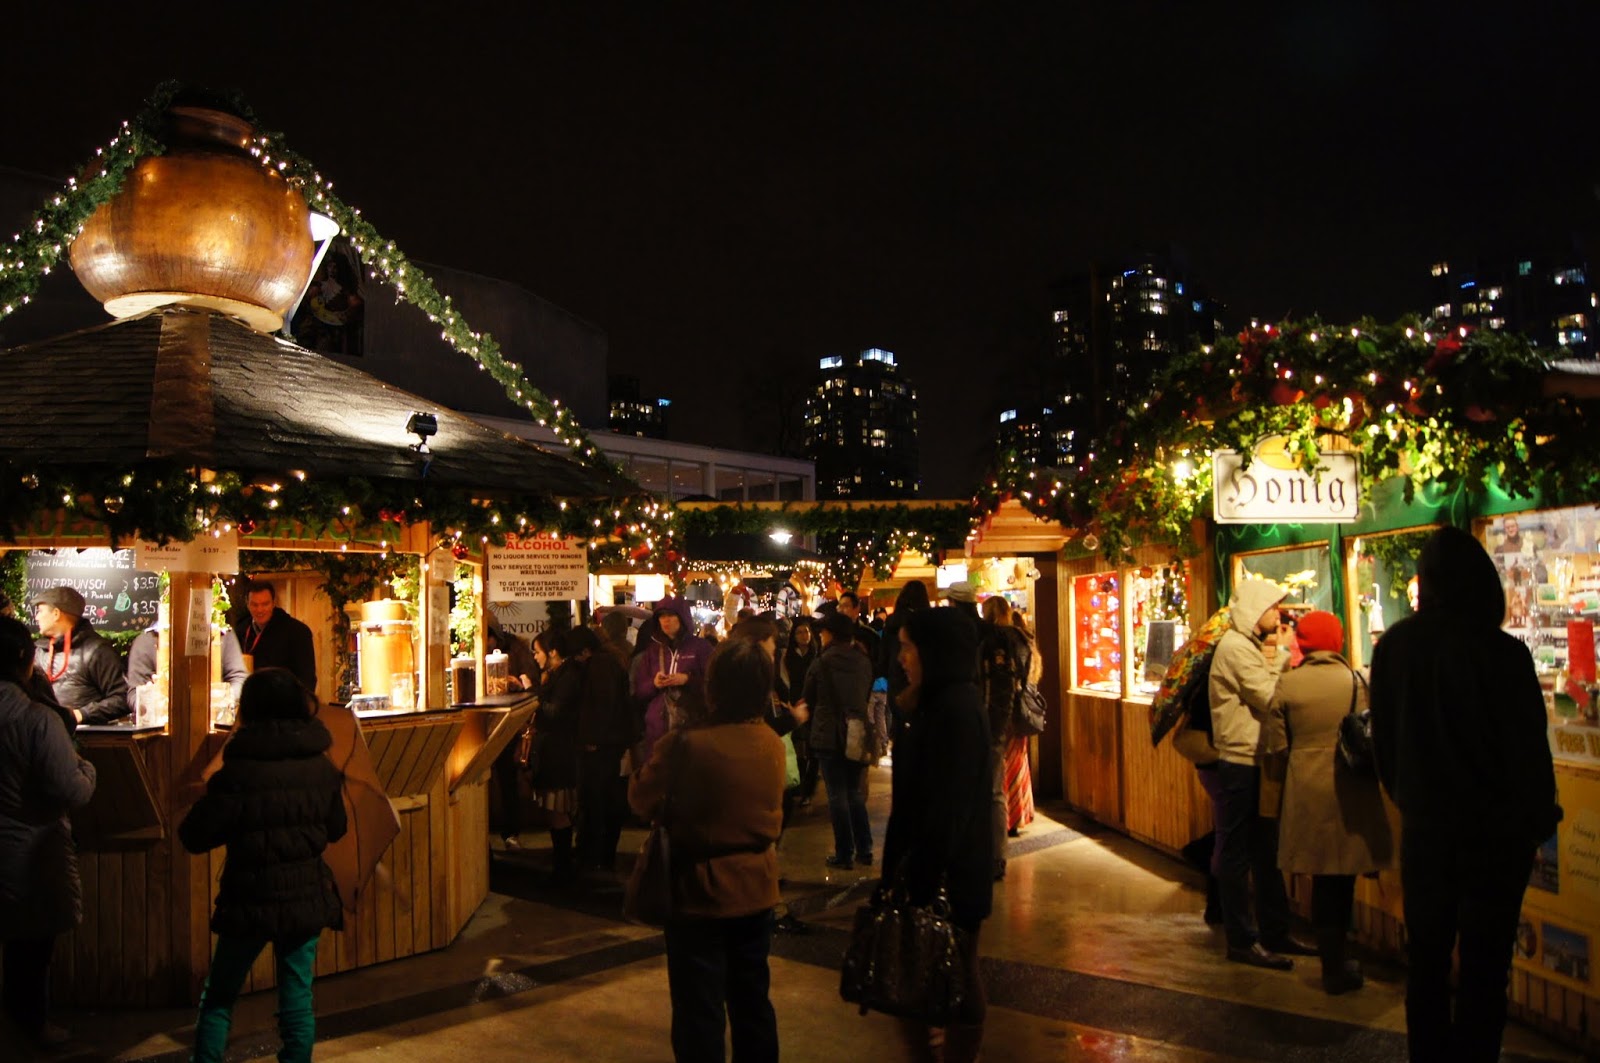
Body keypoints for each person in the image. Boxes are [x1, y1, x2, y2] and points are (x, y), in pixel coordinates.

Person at [1370, 526, 1560, 1062]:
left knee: (1426, 964)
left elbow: (1383, 742)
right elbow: (1528, 750)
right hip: (1496, 836)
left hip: (1428, 831)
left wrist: (1408, 796)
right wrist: (1537, 818)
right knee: (1485, 969)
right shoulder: (1502, 654)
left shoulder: (1396, 649)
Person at [179, 668, 347, 1063]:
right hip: (306, 895)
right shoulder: (321, 766)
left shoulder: (238, 770)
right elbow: (337, 828)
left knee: (220, 995)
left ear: (248, 710)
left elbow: (195, 835)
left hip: (249, 897)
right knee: (297, 997)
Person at [629, 637, 784, 1063]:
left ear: (713, 686)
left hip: (700, 893)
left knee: (700, 1012)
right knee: (753, 1003)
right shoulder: (770, 741)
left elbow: (641, 797)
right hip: (757, 890)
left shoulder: (686, 744)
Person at [1265, 610, 1399, 995]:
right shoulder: (1356, 681)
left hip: (1306, 792)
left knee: (1322, 881)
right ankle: (1338, 965)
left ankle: (1332, 964)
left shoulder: (1287, 686)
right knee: (1343, 879)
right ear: (1337, 641)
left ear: (1302, 643)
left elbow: (1276, 749)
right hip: (1351, 791)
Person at [885, 608, 993, 1062]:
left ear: (934, 653)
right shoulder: (933, 703)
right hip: (934, 867)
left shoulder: (956, 710)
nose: (901, 657)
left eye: (908, 647)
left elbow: (949, 805)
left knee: (952, 972)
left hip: (949, 873)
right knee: (930, 973)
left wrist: (922, 878)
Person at [0, 615, 96, 1052]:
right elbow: (69, 788)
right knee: (30, 946)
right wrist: (88, 769)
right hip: (27, 852)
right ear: (23, 662)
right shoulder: (36, 719)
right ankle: (30, 1026)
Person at [1208, 577, 1309, 969]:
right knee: (1239, 852)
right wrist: (1282, 656)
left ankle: (1274, 931)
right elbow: (1268, 697)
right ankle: (1242, 939)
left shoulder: (1244, 646)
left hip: (1253, 757)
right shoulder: (1236, 648)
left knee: (1264, 849)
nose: (1278, 614)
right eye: (1272, 608)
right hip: (1240, 761)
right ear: (1254, 610)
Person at [801, 610, 874, 871]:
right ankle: (865, 848)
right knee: (855, 793)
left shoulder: (821, 663)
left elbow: (807, 696)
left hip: (828, 734)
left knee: (837, 795)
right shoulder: (863, 661)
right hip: (856, 732)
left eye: (823, 632)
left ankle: (844, 852)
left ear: (830, 635)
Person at [568, 626, 635, 875]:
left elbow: (603, 706)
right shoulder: (609, 660)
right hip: (609, 742)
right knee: (602, 801)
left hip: (602, 745)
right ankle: (600, 855)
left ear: (585, 650)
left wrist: (593, 739)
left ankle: (597, 856)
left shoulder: (601, 665)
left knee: (598, 801)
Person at [979, 595, 1032, 880]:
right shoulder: (1022, 639)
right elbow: (1027, 675)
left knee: (993, 788)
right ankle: (1006, 837)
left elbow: (995, 687)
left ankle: (995, 854)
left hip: (997, 720)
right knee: (1005, 782)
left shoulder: (995, 641)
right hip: (1015, 716)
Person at [632, 597, 713, 763]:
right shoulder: (653, 652)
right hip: (658, 730)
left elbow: (714, 683)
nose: (666, 621)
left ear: (682, 617)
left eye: (671, 615)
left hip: (691, 727)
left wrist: (688, 680)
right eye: (661, 616)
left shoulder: (701, 647)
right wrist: (654, 684)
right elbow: (639, 690)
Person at [32, 585, 128, 725]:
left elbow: (122, 697)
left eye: (40, 611)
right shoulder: (38, 652)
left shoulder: (97, 651)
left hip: (86, 742)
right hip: (42, 737)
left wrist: (82, 714)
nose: (36, 617)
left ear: (56, 614)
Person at [531, 629, 583, 884]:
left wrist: (535, 692)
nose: (535, 656)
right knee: (554, 808)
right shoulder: (558, 674)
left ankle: (563, 867)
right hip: (554, 748)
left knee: (558, 807)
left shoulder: (568, 676)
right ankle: (562, 863)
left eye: (538, 651)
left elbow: (555, 712)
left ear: (552, 652)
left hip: (560, 750)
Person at [487, 620, 542, 851]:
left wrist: (516, 684)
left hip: (509, 725)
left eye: (488, 638)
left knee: (508, 778)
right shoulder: (479, 652)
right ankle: (488, 831)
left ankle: (511, 832)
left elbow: (531, 686)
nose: (485, 643)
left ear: (495, 637)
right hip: (485, 724)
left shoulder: (516, 651)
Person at [126, 624, 248, 715]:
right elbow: (134, 694)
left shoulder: (221, 634)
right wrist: (152, 702)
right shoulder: (146, 641)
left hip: (214, 725)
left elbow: (239, 678)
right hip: (161, 733)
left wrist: (225, 699)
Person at [234, 581, 317, 695]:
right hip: (248, 700)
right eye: (254, 604)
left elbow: (307, 679)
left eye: (265, 604)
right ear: (247, 604)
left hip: (282, 703)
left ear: (274, 603)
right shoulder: (240, 630)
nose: (260, 610)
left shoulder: (297, 632)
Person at [1004, 602, 1040, 838]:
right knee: (1020, 761)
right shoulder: (1030, 646)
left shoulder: (1013, 645)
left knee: (1011, 762)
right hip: (1025, 712)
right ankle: (1023, 811)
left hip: (1014, 713)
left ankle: (1014, 814)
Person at [777, 617, 820, 804]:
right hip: (793, 701)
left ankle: (808, 789)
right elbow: (784, 678)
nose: (804, 636)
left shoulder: (817, 654)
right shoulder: (788, 656)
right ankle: (798, 785)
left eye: (807, 632)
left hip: (813, 703)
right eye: (800, 632)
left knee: (812, 747)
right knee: (797, 745)